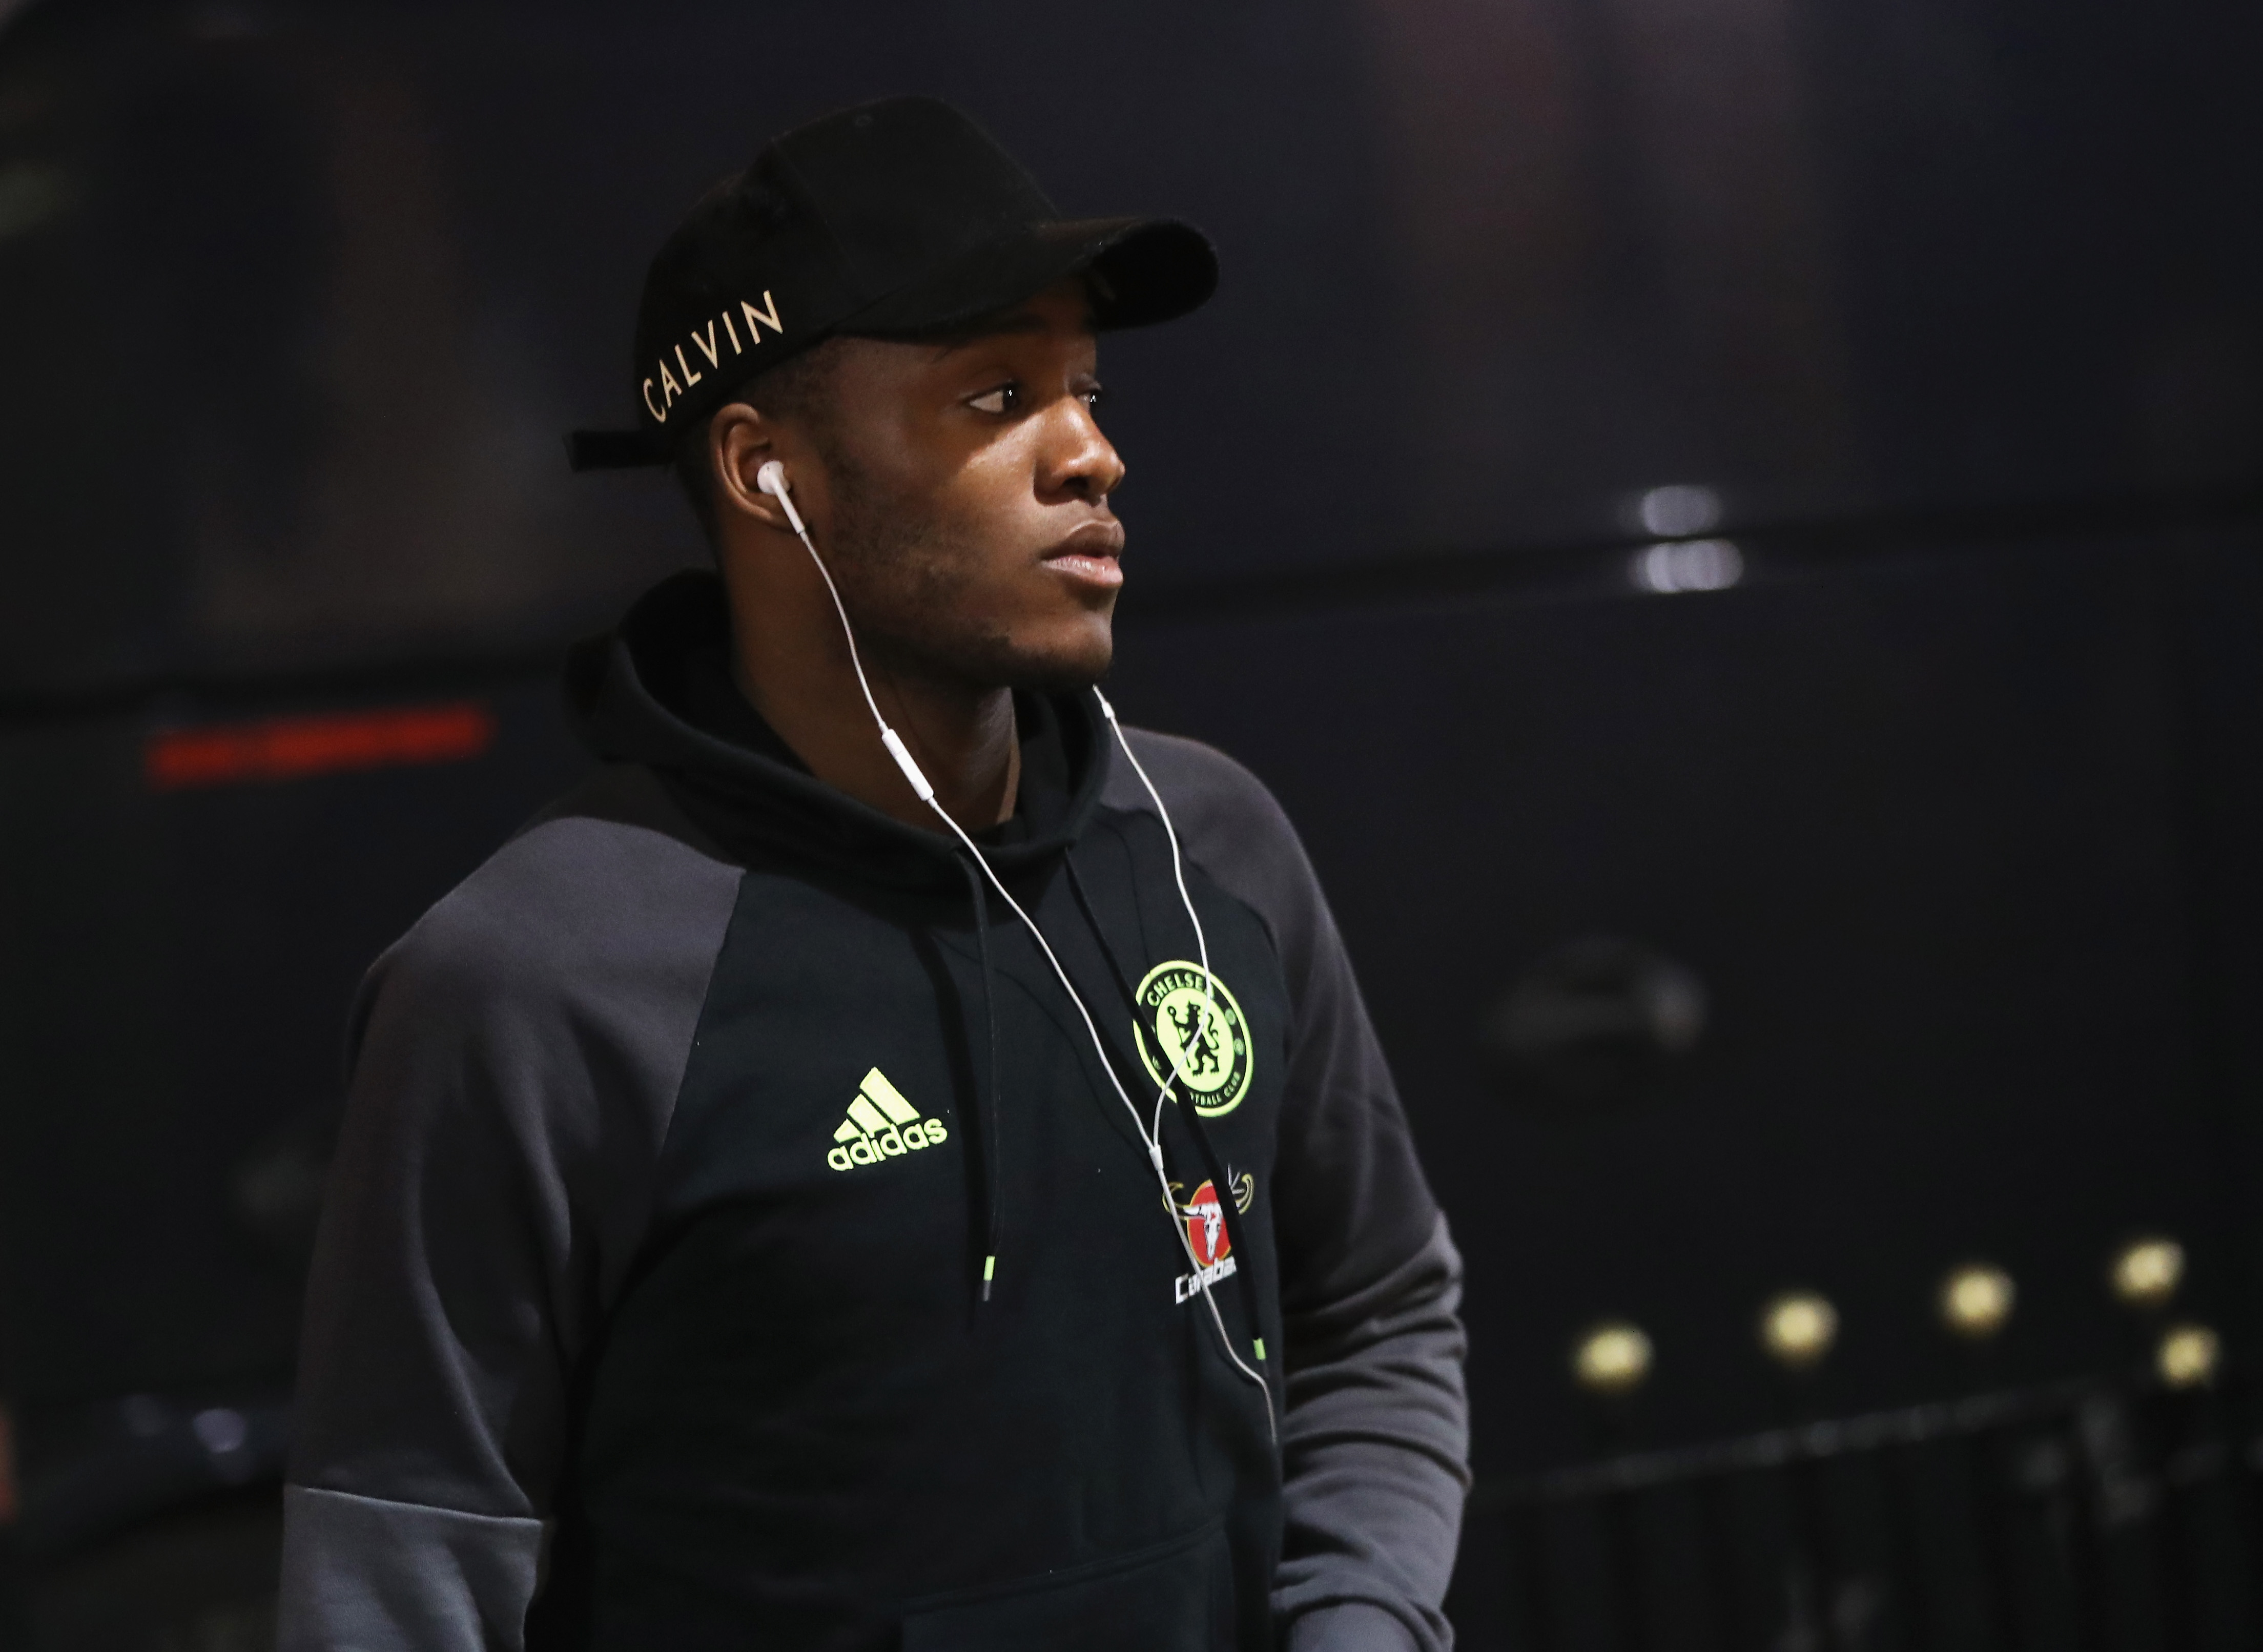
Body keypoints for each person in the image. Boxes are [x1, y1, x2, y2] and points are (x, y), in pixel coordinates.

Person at [275, 96, 1467, 1652]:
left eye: (1085, 390)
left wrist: (1361, 1626)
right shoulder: (533, 977)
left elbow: (1378, 1311)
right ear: (769, 473)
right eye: (997, 395)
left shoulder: (1210, 846)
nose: (1093, 456)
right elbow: (403, 1569)